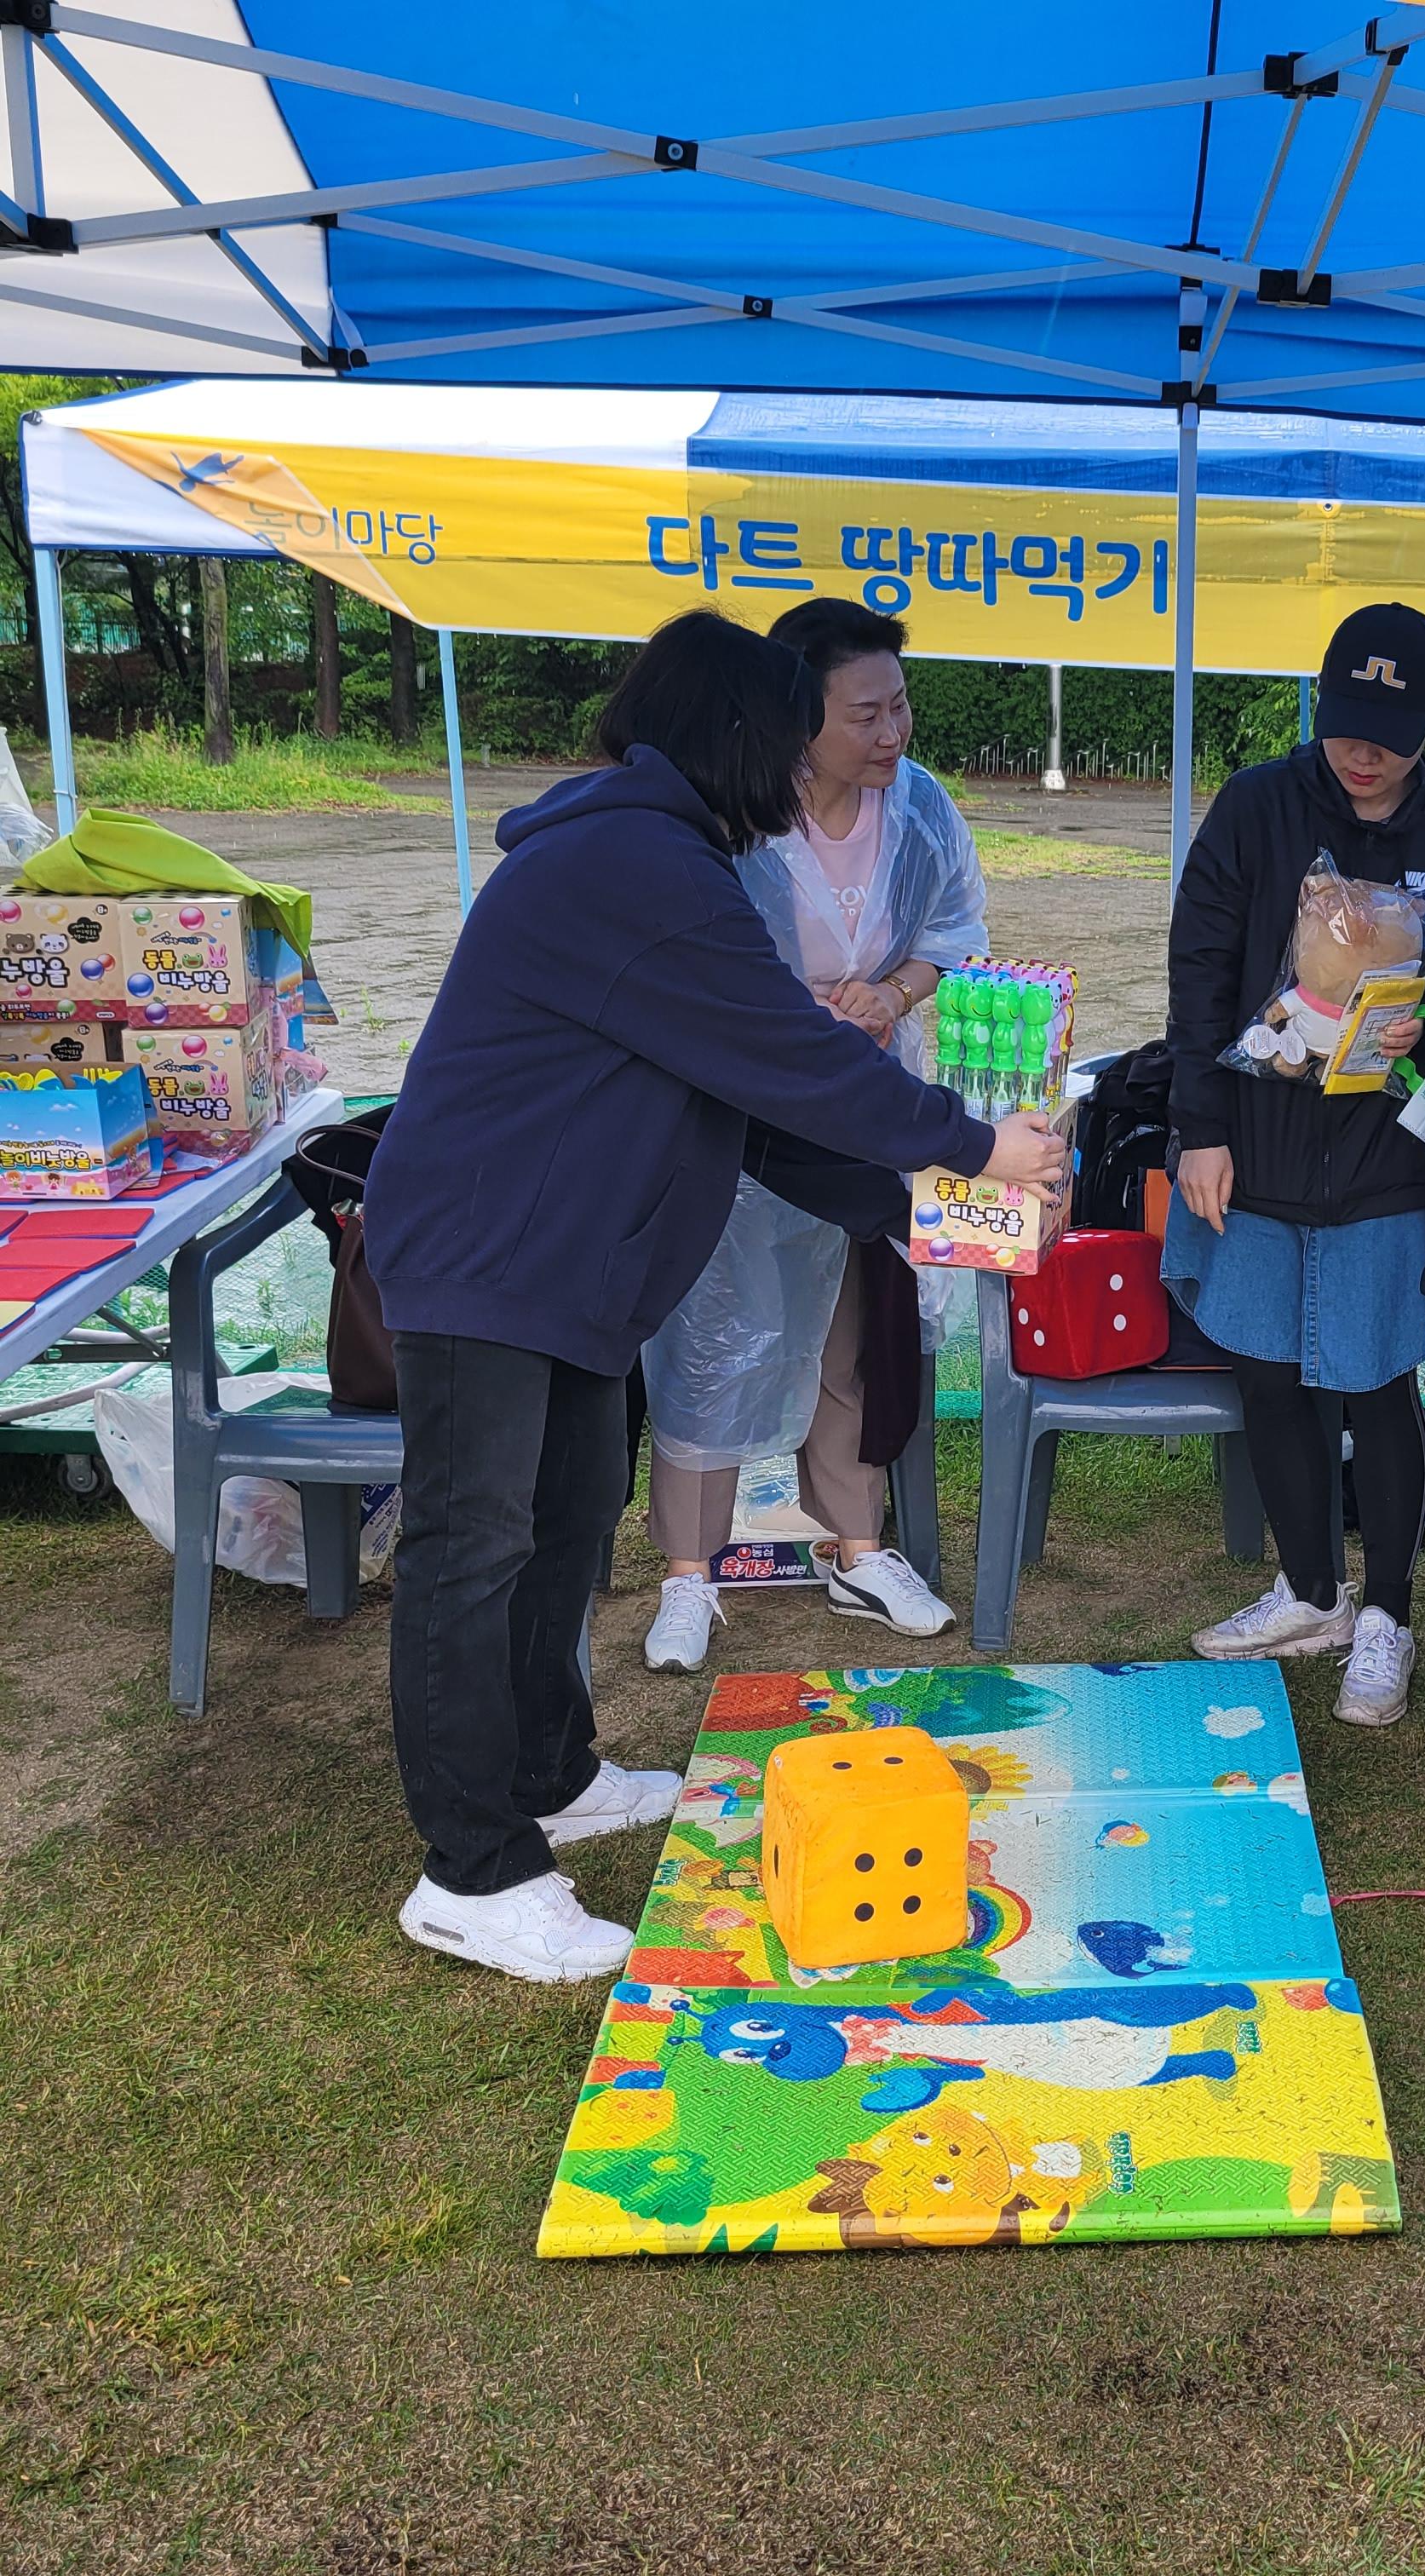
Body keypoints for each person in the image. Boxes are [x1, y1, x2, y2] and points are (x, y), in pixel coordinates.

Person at [366, 611, 1064, 1984]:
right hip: (488, 1249)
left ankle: (552, 1773)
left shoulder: (664, 852)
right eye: (795, 738)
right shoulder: (635, 863)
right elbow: (792, 1057)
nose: (807, 770)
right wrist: (973, 1143)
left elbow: (751, 1105)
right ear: (739, 736)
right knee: (472, 1547)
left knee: (568, 1520)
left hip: (568, 1258)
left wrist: (923, 1216)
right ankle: (471, 1871)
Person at [1166, 601, 1425, 1727]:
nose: (1362, 753)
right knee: (1265, 1368)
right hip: (1254, 1145)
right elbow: (1199, 966)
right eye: (1345, 725)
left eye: (1388, 737)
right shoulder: (1258, 806)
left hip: (1382, 1160)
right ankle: (1310, 1590)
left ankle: (1388, 1617)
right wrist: (1199, 1128)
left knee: (1376, 1379)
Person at [641, 600, 989, 1674]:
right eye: (865, 714)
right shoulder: (738, 810)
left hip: (868, 1100)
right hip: (742, 1111)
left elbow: (954, 930)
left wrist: (892, 994)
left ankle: (858, 1546)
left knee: (854, 1325)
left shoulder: (920, 808)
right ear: (797, 715)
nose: (893, 733)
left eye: (901, 707)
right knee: (712, 1328)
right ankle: (690, 1574)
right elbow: (696, 963)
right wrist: (789, 1018)